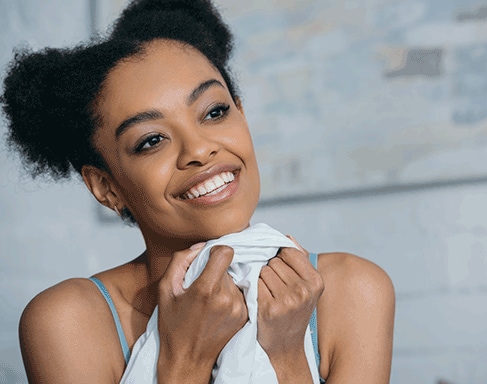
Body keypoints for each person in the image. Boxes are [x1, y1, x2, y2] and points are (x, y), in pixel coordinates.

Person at [1, 0, 395, 383]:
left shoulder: (353, 291)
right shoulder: (68, 322)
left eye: (214, 112)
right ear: (106, 187)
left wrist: (287, 358)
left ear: (241, 112)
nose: (199, 149)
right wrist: (185, 358)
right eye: (152, 140)